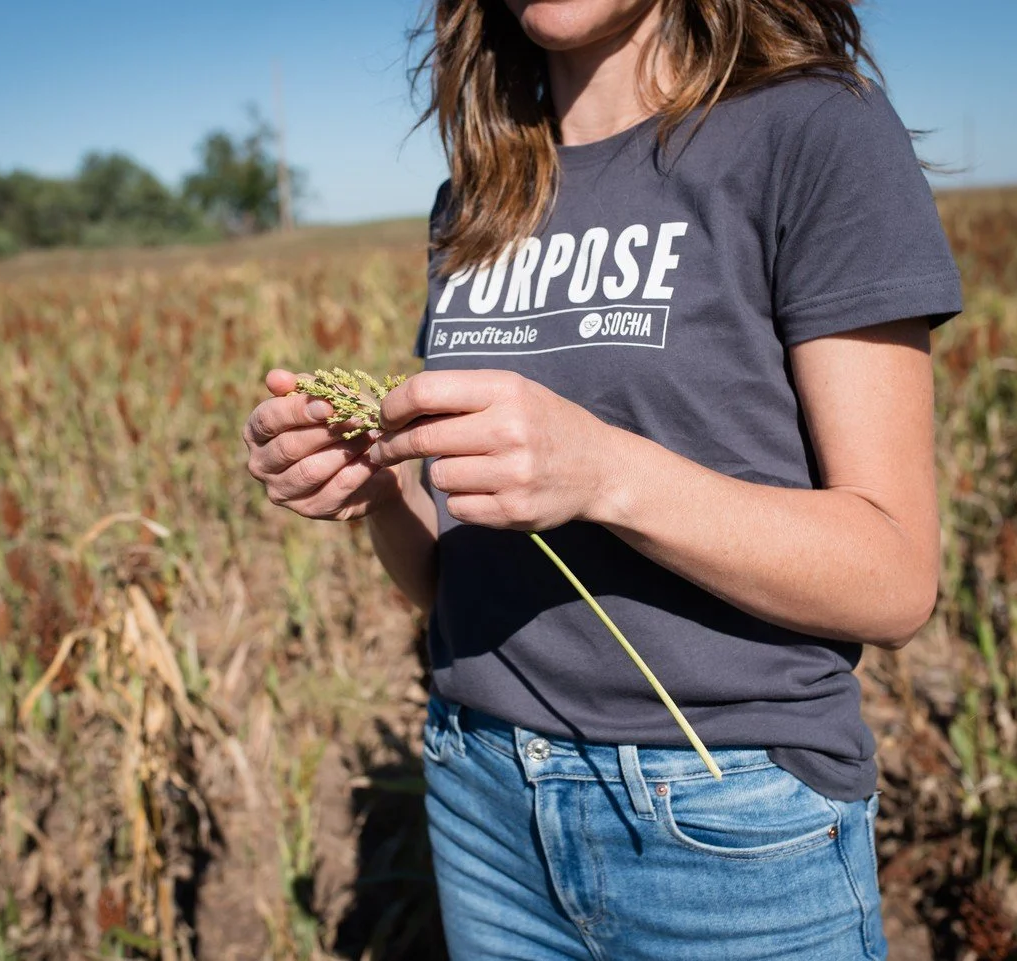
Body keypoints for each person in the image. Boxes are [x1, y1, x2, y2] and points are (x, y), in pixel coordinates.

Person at [244, 0, 961, 957]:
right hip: (481, 791)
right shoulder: (478, 196)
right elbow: (452, 585)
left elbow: (896, 577)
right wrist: (378, 487)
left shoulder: (813, 130)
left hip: (720, 816)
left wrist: (607, 472)